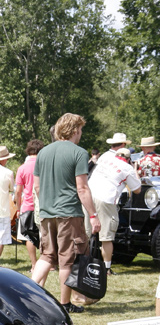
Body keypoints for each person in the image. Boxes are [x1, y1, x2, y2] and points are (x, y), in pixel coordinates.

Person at [32, 113, 100, 314]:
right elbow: (82, 189)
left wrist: (48, 203)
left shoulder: (43, 152)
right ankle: (65, 303)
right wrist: (94, 216)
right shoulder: (79, 153)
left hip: (46, 212)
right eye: (80, 130)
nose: (80, 134)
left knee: (46, 255)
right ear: (75, 130)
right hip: (69, 213)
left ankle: (26, 294)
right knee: (67, 259)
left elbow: (37, 186)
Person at [87, 146, 141, 275]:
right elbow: (137, 189)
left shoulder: (104, 159)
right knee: (106, 236)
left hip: (89, 194)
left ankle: (83, 264)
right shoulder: (127, 168)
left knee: (86, 233)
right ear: (128, 159)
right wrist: (135, 170)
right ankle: (106, 268)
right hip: (106, 199)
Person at [14, 139, 44, 269]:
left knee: (30, 236)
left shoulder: (22, 168)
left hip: (27, 205)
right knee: (45, 235)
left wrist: (18, 208)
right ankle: (48, 262)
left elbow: (18, 191)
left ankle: (34, 264)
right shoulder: (44, 165)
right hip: (43, 204)